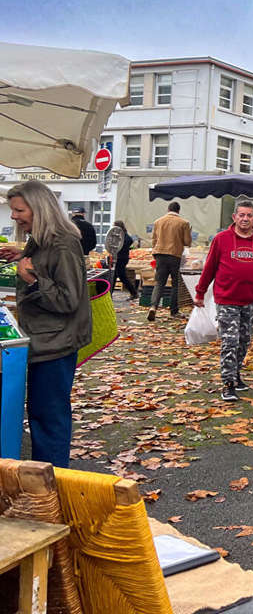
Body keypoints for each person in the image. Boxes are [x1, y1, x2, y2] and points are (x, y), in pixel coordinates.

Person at [0, 181, 91, 467]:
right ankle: (45, 477)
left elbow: (68, 300)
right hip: (44, 339)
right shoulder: (41, 240)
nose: (13, 215)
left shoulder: (63, 242)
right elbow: (44, 266)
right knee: (40, 412)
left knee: (49, 416)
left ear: (39, 209)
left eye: (19, 210)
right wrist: (21, 258)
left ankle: (51, 483)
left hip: (56, 343)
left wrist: (33, 279)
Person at [194, 199, 253, 401]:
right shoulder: (221, 239)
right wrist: (200, 292)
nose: (245, 219)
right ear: (234, 217)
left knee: (244, 341)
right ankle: (228, 383)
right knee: (230, 341)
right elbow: (209, 268)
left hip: (250, 300)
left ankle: (236, 373)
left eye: (249, 215)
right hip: (226, 299)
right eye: (241, 215)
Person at [148, 201, 191, 322]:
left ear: (168, 210)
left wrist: (155, 254)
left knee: (159, 282)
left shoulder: (158, 221)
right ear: (178, 211)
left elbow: (154, 240)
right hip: (175, 255)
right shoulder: (184, 223)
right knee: (175, 284)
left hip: (160, 254)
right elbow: (187, 242)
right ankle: (174, 311)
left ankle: (153, 307)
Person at [112, 219, 140, 301]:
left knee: (121, 276)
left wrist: (120, 247)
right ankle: (133, 293)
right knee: (115, 276)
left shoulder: (123, 235)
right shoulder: (122, 234)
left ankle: (134, 293)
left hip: (121, 258)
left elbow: (129, 241)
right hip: (121, 258)